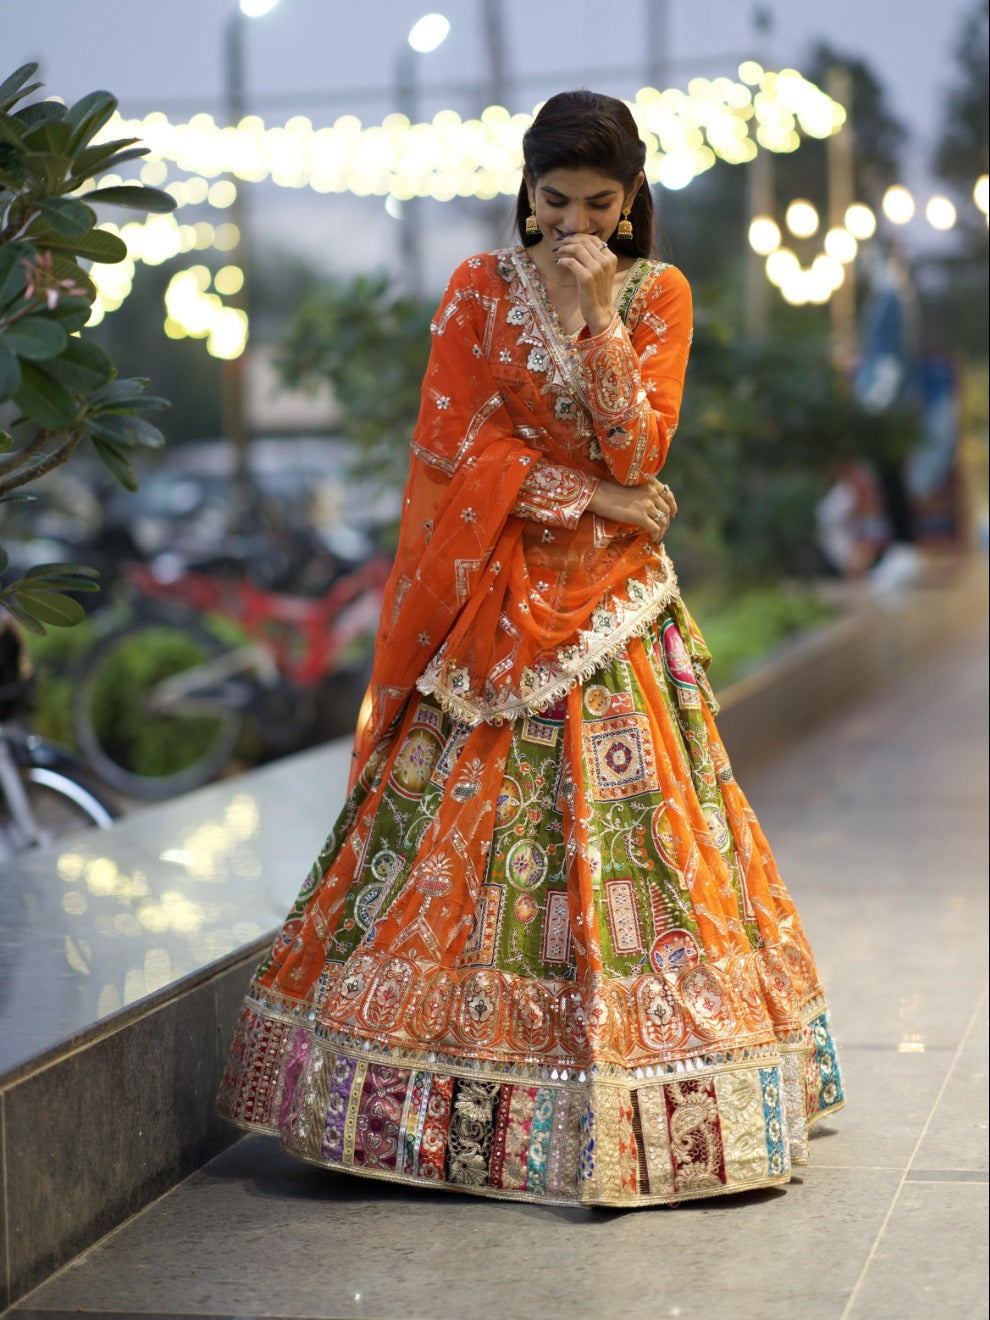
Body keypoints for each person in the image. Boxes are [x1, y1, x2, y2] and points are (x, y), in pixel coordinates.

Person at [217, 89, 843, 1207]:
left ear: (634, 199)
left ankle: (657, 1098)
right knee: (446, 851)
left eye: (599, 205)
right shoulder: (475, 292)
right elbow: (459, 455)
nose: (572, 227)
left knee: (649, 857)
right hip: (492, 613)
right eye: (554, 202)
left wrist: (600, 317)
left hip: (616, 618)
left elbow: (645, 441)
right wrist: (595, 497)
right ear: (526, 191)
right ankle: (415, 1107)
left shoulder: (658, 294)